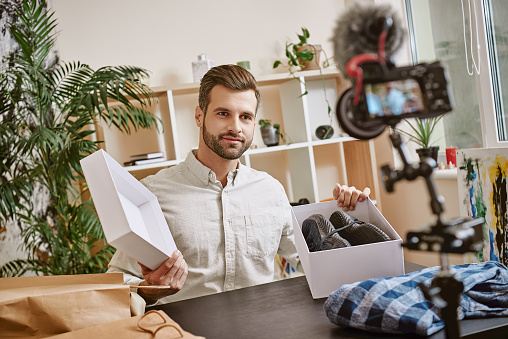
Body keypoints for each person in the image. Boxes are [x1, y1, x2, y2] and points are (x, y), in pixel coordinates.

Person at [107, 65, 369, 304]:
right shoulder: (153, 192)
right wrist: (148, 289)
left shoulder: (271, 190)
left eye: (246, 117)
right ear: (199, 116)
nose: (235, 127)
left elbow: (309, 264)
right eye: (223, 113)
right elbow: (119, 277)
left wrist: (353, 218)